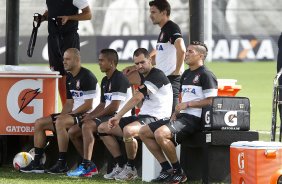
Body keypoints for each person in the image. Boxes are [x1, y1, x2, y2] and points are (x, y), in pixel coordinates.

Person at [139, 41, 218, 183]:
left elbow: (211, 101)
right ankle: (167, 169)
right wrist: (175, 113)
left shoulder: (206, 74)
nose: (186, 54)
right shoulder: (186, 73)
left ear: (201, 56)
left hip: (194, 119)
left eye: (190, 52)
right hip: (182, 117)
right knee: (143, 132)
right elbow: (182, 98)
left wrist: (188, 104)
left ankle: (178, 171)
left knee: (160, 133)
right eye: (186, 51)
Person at [20, 48, 100, 174]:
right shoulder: (69, 77)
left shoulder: (87, 76)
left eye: (67, 59)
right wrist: (63, 115)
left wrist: (67, 116)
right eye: (63, 59)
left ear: (77, 60)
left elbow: (88, 105)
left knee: (61, 122)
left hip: (87, 114)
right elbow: (69, 103)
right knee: (39, 123)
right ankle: (37, 163)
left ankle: (62, 163)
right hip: (73, 113)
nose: (64, 62)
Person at [97, 48, 173, 181]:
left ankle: (131, 169)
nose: (139, 66)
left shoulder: (157, 74)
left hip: (158, 118)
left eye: (142, 62)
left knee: (128, 130)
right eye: (136, 63)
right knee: (103, 128)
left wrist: (118, 116)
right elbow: (140, 103)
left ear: (150, 60)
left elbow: (137, 98)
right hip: (144, 116)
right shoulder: (144, 77)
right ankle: (121, 165)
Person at [66, 49, 132, 177]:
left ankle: (87, 166)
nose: (99, 63)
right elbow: (102, 104)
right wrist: (90, 115)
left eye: (102, 60)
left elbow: (114, 106)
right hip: (108, 116)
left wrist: (93, 116)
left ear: (111, 62)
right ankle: (90, 165)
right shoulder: (105, 80)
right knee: (72, 132)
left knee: (87, 125)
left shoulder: (119, 78)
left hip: (119, 117)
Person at [123, 0, 186, 113]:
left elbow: (181, 49)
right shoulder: (164, 30)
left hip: (171, 79)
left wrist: (176, 71)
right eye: (150, 12)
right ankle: (132, 113)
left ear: (164, 12)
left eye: (154, 12)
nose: (151, 15)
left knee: (171, 116)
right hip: (162, 78)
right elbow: (159, 57)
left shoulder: (171, 27)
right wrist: (135, 66)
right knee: (128, 76)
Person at [39, 0, 92, 105]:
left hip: (69, 37)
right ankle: (65, 108)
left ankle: (77, 107)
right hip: (53, 38)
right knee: (57, 74)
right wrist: (43, 17)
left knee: (71, 72)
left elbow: (88, 14)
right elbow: (50, 11)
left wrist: (69, 17)